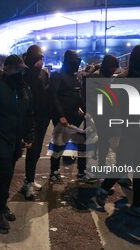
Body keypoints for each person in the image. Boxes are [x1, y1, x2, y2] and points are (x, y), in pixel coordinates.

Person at [96, 45, 140, 221]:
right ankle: (104, 188)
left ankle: (137, 204)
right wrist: (116, 132)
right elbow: (112, 109)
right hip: (128, 130)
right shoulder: (122, 80)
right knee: (123, 163)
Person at [0, 55, 34, 233]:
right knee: (5, 173)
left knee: (8, 174)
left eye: (22, 69)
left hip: (16, 140)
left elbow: (29, 114)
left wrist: (29, 135)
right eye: (17, 69)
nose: (20, 73)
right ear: (7, 68)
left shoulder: (23, 88)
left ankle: (2, 205)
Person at [49, 50, 89, 182]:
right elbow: (53, 96)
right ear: (68, 62)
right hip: (63, 119)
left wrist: (87, 111)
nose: (76, 65)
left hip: (76, 117)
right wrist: (60, 116)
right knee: (59, 145)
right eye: (74, 62)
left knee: (83, 145)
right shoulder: (57, 76)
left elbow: (78, 96)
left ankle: (82, 171)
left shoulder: (74, 77)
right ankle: (54, 171)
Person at [21, 45, 50, 199]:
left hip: (44, 116)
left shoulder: (44, 73)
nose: (41, 61)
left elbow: (47, 91)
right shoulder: (25, 74)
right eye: (38, 58)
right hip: (31, 117)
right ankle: (29, 182)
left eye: (42, 58)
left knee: (37, 150)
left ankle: (29, 180)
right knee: (32, 149)